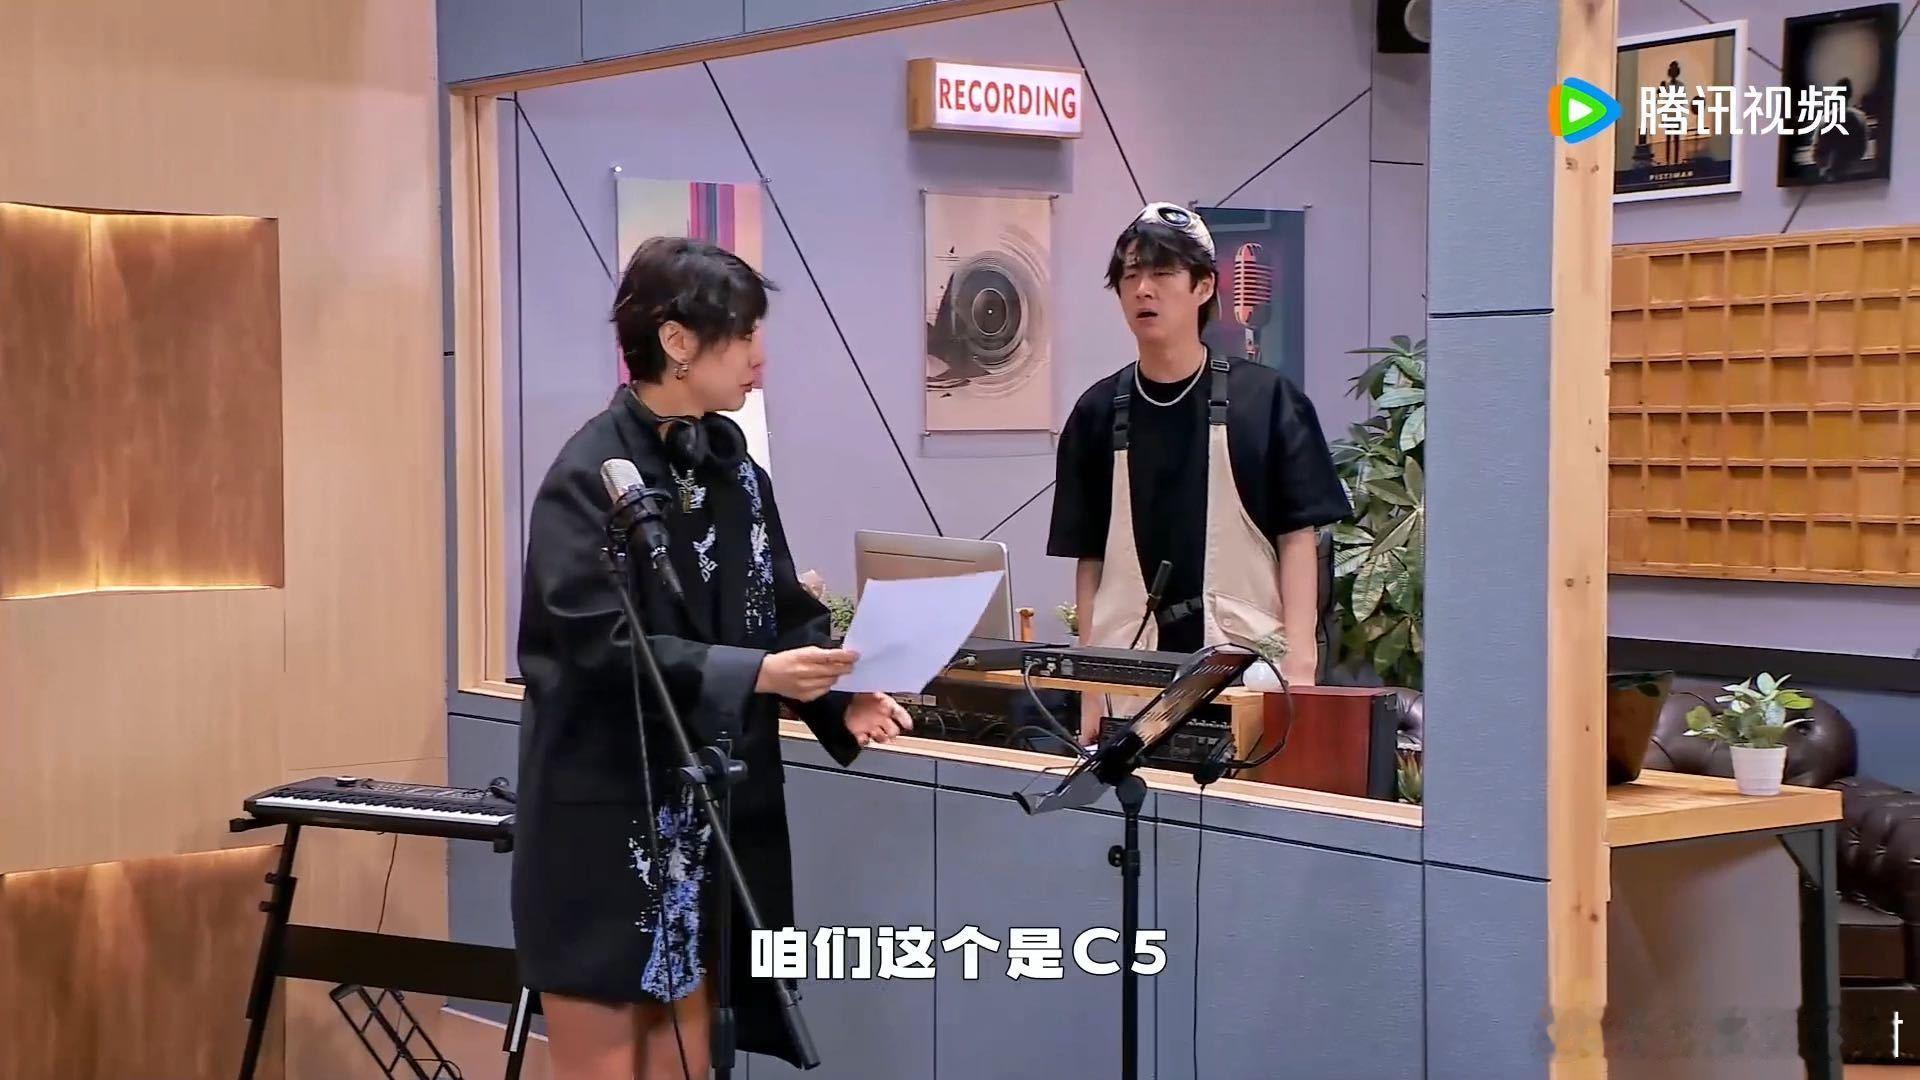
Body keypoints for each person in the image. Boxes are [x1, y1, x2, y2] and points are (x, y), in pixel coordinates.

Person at [513, 236, 913, 1080]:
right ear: (677, 341)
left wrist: (839, 697)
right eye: (744, 334)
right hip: (611, 819)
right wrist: (758, 675)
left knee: (694, 1055)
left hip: (715, 818)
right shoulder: (588, 476)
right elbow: (593, 647)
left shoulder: (734, 471)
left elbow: (780, 610)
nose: (761, 357)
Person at [1048, 203, 1350, 742]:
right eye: (1130, 276)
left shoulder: (1267, 401)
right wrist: (1090, 688)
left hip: (1246, 671)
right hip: (1130, 675)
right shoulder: (1096, 413)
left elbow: (1298, 538)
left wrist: (1301, 668)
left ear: (1204, 286)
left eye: (1162, 273)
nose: (1143, 290)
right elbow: (1090, 561)